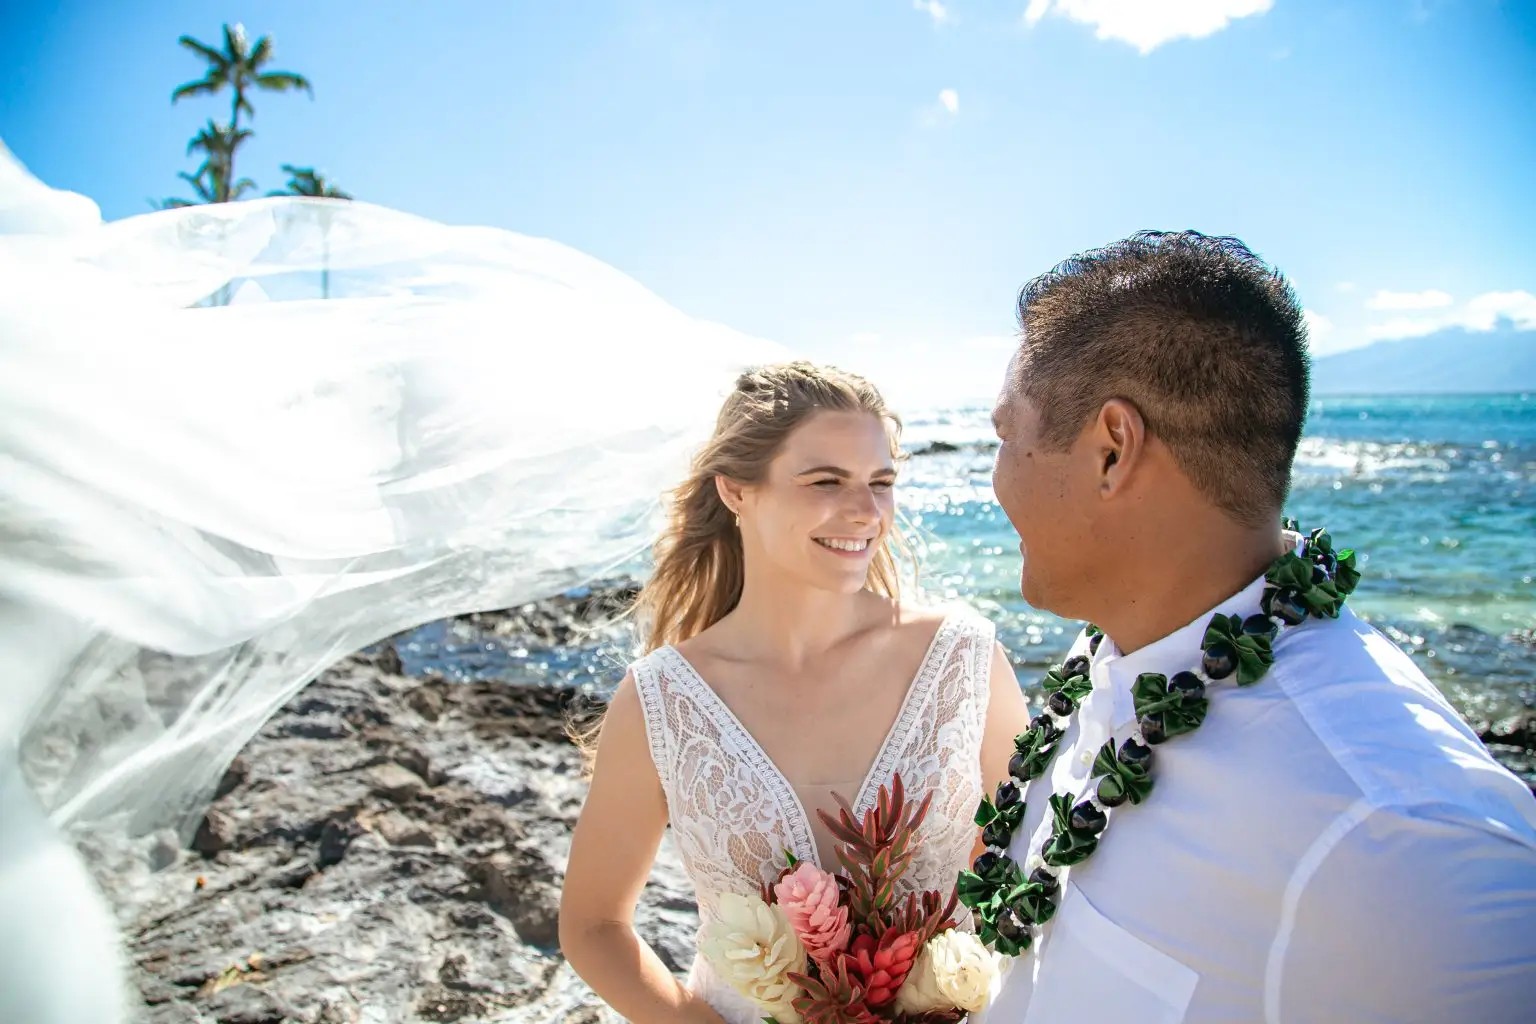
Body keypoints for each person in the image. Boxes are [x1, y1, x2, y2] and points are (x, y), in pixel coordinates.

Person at [971, 231, 1536, 1022]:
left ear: (1111, 450)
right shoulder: (1115, 645)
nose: (993, 479)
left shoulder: (1393, 836)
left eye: (1004, 437)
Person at [558, 361, 1034, 1024]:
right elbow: (592, 926)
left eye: (881, 482)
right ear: (735, 490)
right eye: (825, 481)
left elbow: (1030, 875)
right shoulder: (661, 701)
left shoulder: (964, 661)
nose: (867, 512)